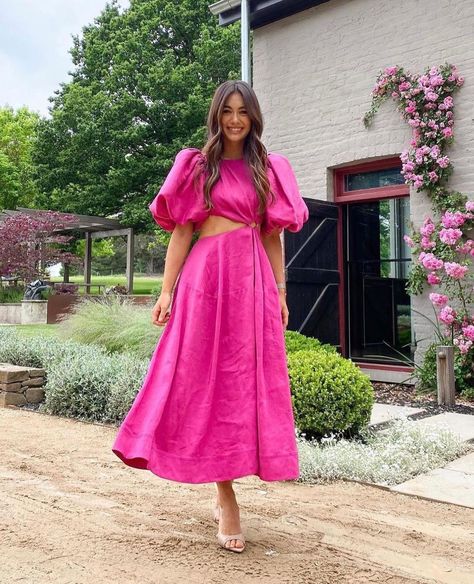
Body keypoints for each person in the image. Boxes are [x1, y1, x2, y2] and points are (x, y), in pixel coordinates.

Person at [111, 80, 309, 553]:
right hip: (206, 279)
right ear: (216, 116)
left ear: (253, 116)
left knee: (242, 383)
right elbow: (182, 233)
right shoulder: (198, 166)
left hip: (253, 282)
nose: (235, 119)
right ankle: (225, 493)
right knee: (200, 378)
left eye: (243, 111)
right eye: (227, 111)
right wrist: (165, 290)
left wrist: (281, 292)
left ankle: (227, 490)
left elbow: (272, 237)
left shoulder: (270, 167)